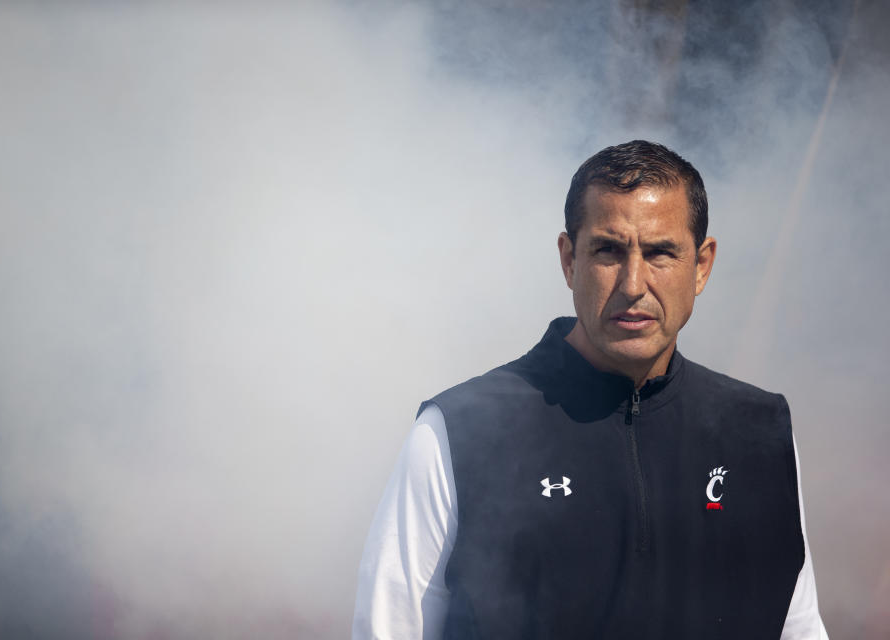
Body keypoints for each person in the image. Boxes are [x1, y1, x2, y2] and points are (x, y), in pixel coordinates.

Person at [352, 140, 828, 639]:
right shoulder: (459, 431)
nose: (633, 283)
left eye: (661, 252)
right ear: (568, 260)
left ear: (702, 265)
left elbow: (798, 628)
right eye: (608, 250)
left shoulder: (759, 430)